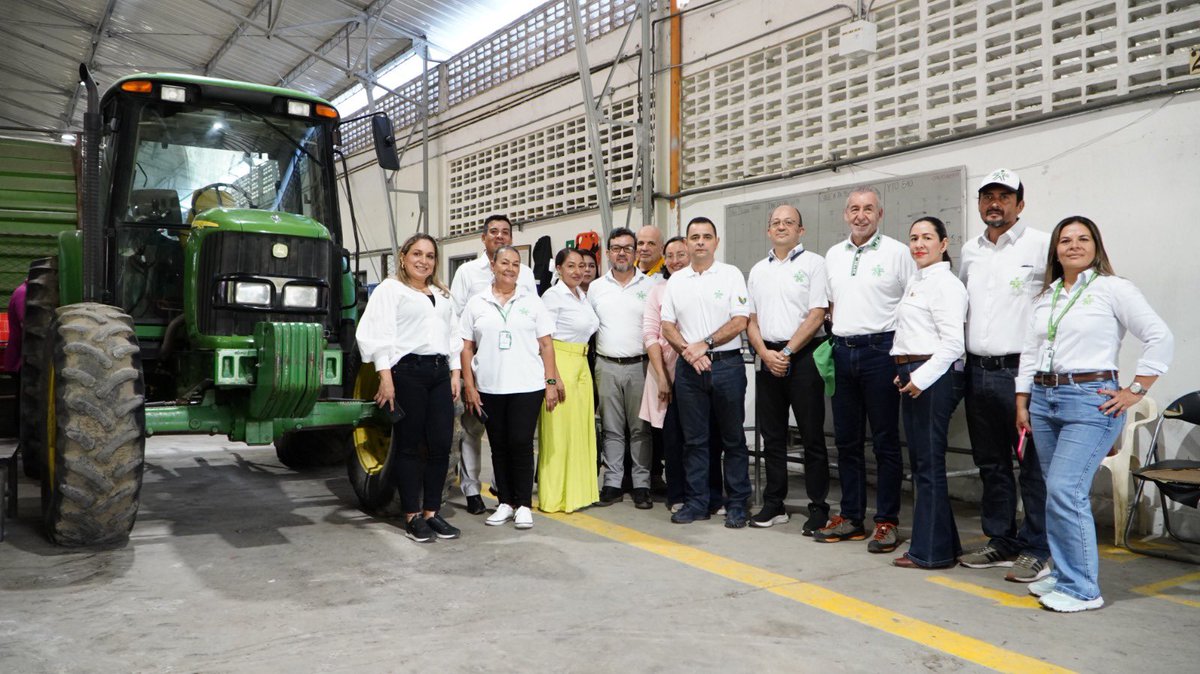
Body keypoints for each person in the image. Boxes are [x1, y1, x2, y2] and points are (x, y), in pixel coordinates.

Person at [1016, 216, 1172, 612]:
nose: (1073, 246)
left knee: (1066, 490)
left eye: (1082, 239)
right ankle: (1063, 572)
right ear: (1055, 249)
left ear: (1096, 245)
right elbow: (1031, 352)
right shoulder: (1046, 295)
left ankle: (1083, 588)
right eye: (1065, 240)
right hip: (1044, 397)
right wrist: (1022, 399)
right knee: (1056, 490)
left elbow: (1159, 335)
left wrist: (1135, 390)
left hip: (1090, 399)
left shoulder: (1113, 289)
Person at [957, 168, 1052, 581]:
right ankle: (1001, 540)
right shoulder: (969, 251)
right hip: (978, 371)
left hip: (1021, 373)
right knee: (991, 462)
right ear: (979, 204)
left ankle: (1037, 547)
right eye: (987, 196)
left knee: (1032, 466)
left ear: (1020, 203)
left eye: (1004, 196)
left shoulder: (1042, 244)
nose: (995, 203)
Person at [816, 186, 915, 553]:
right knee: (847, 441)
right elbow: (830, 303)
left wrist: (901, 356)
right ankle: (851, 517)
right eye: (854, 209)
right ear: (845, 215)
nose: (861, 215)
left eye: (868, 209)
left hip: (882, 351)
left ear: (880, 214)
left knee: (886, 441)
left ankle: (887, 521)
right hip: (843, 351)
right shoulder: (833, 255)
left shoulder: (897, 253)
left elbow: (912, 304)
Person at [356, 234, 463, 543]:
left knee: (441, 445)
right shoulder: (391, 290)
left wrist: (455, 373)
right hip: (407, 372)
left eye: (430, 256)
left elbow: (453, 334)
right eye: (417, 254)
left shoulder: (442, 294)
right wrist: (385, 377)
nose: (423, 261)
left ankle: (432, 512)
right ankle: (412, 516)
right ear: (403, 257)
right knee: (409, 446)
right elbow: (378, 334)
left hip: (440, 372)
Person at [459, 245, 560, 530]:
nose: (511, 268)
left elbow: (546, 344)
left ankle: (524, 504)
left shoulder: (532, 302)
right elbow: (466, 348)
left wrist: (550, 382)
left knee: (521, 443)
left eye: (516, 264)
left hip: (527, 385)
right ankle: (504, 502)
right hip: (490, 387)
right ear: (493, 265)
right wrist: (470, 384)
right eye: (505, 262)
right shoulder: (476, 303)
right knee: (498, 445)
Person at [661, 217, 752, 527]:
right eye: (694, 237)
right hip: (689, 369)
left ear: (716, 242)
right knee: (695, 441)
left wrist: (705, 344)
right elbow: (667, 325)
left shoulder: (731, 275)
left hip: (727, 365)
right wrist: (690, 350)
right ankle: (697, 501)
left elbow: (740, 320)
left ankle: (738, 503)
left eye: (706, 236)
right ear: (686, 243)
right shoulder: (676, 281)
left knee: (733, 440)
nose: (700, 241)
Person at [745, 205, 830, 534]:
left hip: (804, 355)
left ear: (801, 230)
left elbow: (817, 313)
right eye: (776, 223)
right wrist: (766, 354)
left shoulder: (814, 264)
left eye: (789, 222)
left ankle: (819, 507)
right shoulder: (757, 270)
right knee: (773, 436)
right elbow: (750, 320)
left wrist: (788, 351)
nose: (782, 227)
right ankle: (773, 502)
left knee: (811, 436)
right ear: (769, 231)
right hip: (767, 355)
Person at [889, 217, 967, 569]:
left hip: (933, 378)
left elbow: (953, 344)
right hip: (914, 373)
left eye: (927, 238)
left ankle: (930, 552)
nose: (919, 244)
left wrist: (919, 378)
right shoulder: (919, 280)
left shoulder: (946, 285)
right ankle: (945, 545)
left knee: (928, 464)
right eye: (914, 238)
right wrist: (904, 372)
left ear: (944, 243)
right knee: (923, 461)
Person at [449, 215, 537, 515]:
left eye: (506, 232)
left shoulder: (524, 273)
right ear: (483, 237)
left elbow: (532, 317)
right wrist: (461, 374)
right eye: (494, 232)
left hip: (513, 367)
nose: (500, 236)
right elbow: (457, 323)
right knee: (473, 430)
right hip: (477, 365)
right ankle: (473, 489)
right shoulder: (466, 272)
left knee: (511, 436)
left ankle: (507, 495)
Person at [588, 227, 660, 509]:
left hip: (640, 366)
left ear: (636, 252)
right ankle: (613, 482)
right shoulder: (596, 288)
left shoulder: (651, 286)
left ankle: (642, 484)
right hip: (605, 366)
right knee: (611, 428)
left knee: (641, 428)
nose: (621, 252)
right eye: (616, 247)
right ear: (607, 253)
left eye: (627, 248)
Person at [537, 248, 600, 513]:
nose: (578, 271)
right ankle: (554, 497)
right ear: (559, 269)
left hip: (581, 364)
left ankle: (576, 494)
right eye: (571, 266)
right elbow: (544, 339)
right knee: (558, 434)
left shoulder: (582, 296)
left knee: (579, 432)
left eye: (582, 266)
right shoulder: (553, 296)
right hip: (560, 362)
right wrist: (553, 378)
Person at [639, 236, 693, 512]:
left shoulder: (700, 285)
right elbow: (650, 333)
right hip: (665, 370)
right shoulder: (658, 290)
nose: (675, 261)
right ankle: (677, 494)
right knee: (672, 437)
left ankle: (702, 492)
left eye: (680, 254)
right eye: (669, 256)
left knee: (698, 436)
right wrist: (662, 376)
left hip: (696, 368)